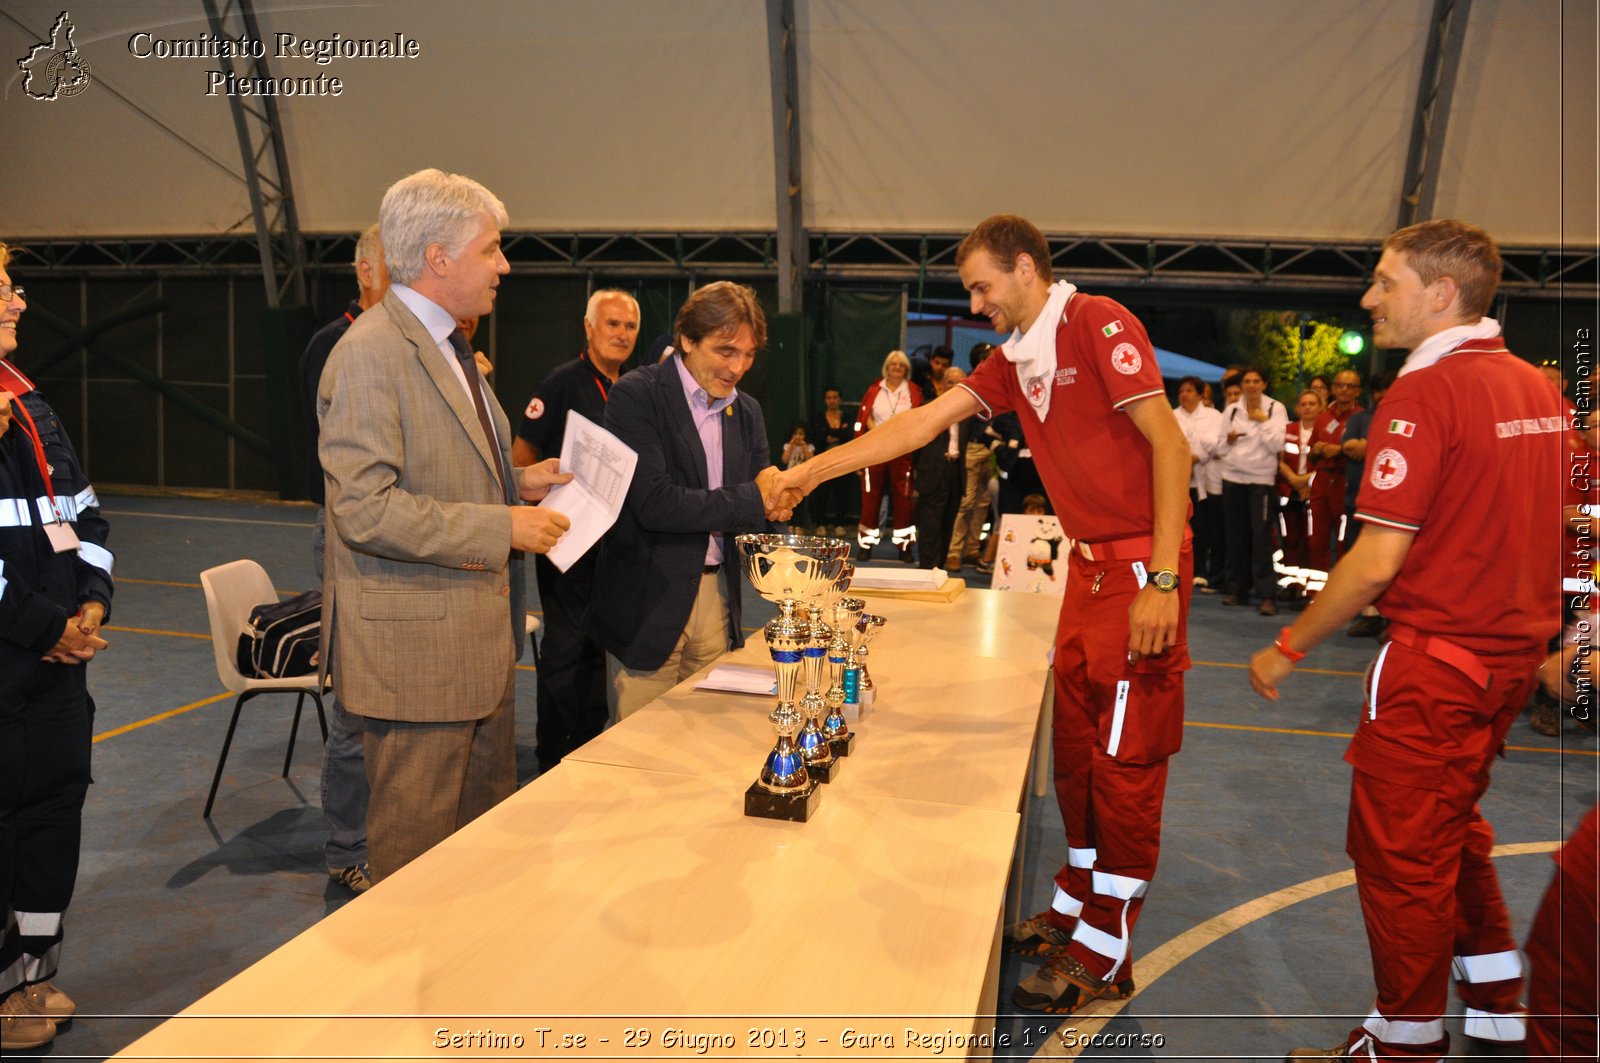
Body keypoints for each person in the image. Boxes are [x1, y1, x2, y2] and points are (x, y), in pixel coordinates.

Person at [778, 214, 1192, 1015]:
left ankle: (1107, 949)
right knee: (1075, 754)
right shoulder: (1015, 360)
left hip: (1141, 566)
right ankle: (1075, 903)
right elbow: (918, 423)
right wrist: (811, 471)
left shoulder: (1098, 323)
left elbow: (1170, 447)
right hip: (1088, 574)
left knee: (1125, 761)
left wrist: (1165, 579)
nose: (976, 304)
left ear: (1027, 268)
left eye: (983, 285)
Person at [1248, 219, 1564, 1062]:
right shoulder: (1537, 387)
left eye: (1385, 282)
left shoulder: (1424, 395)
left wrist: (1291, 644)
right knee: (1450, 828)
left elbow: (1378, 559)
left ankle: (1406, 1040)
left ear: (1440, 293)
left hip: (1437, 663)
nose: (1368, 298)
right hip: (1509, 661)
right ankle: (1495, 1002)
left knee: (1397, 857)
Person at [317, 168, 573, 884]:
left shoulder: (448, 347)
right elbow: (364, 508)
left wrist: (521, 481)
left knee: (479, 870)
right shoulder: (370, 356)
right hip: (418, 666)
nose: (504, 265)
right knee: (416, 880)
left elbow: (442, 467)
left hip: (471, 655)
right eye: (491, 249)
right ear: (438, 258)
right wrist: (503, 527)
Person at [0, 245, 114, 1052]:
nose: (18, 302)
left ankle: (31, 975)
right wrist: (47, 628)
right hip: (11, 665)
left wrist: (92, 603)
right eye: (2, 289)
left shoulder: (32, 406)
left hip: (56, 674)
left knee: (51, 816)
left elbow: (88, 520)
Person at [586, 281, 790, 722]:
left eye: (749, 354)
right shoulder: (636, 396)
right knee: (638, 749)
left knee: (705, 743)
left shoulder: (748, 411)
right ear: (687, 339)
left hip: (718, 601)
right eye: (725, 351)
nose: (738, 367)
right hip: (648, 602)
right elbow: (656, 503)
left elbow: (758, 507)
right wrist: (758, 498)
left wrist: (779, 514)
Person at [295, 223, 389, 894]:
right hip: (352, 536)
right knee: (356, 704)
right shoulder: (338, 347)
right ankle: (346, 848)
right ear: (365, 272)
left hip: (388, 541)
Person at [511, 289, 640, 773]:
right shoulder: (562, 383)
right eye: (612, 324)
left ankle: (586, 743)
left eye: (629, 327)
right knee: (565, 649)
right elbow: (521, 460)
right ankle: (553, 753)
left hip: (610, 548)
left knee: (596, 648)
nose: (621, 334)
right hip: (566, 544)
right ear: (589, 328)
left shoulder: (630, 388)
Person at [1216, 366, 1287, 615]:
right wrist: (1230, 440)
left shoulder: (1274, 409)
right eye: (1247, 381)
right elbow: (1219, 448)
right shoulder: (1232, 409)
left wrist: (1263, 422)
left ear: (1264, 384)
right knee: (1235, 537)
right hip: (1232, 478)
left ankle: (1267, 595)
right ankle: (1236, 590)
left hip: (1261, 481)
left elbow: (1277, 444)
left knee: (1261, 537)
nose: (1251, 385)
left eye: (1256, 380)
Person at [1339, 371, 1394, 639]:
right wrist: (1378, 445)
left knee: (1391, 562)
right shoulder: (1360, 418)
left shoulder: (1402, 418)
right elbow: (1349, 447)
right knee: (1358, 559)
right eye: (1378, 391)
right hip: (1358, 500)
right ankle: (1369, 615)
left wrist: (1368, 445)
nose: (1382, 396)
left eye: (1387, 389)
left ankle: (1393, 619)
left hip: (1391, 506)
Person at [855, 350, 923, 560]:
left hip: (903, 451)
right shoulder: (875, 389)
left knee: (903, 500)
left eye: (901, 365)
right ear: (886, 367)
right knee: (870, 499)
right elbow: (864, 417)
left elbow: (919, 420)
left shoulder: (913, 391)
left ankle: (905, 547)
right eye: (893, 364)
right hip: (874, 450)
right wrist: (875, 434)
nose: (896, 368)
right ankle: (866, 545)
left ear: (906, 369)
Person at [912, 365, 971, 569]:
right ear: (942, 384)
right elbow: (915, 446)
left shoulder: (968, 412)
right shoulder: (928, 407)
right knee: (929, 526)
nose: (954, 386)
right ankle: (926, 571)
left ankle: (940, 570)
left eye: (959, 382)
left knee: (948, 525)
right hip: (932, 472)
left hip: (955, 473)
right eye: (950, 382)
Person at [1306, 368, 1363, 569]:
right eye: (1340, 385)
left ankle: (1339, 593)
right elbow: (1310, 453)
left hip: (1345, 483)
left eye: (1350, 386)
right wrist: (1317, 449)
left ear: (1358, 391)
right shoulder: (1322, 417)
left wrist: (1340, 450)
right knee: (1316, 540)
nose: (1344, 390)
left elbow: (1365, 452)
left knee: (1343, 540)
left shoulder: (1362, 418)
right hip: (1321, 482)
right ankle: (1315, 592)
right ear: (1333, 388)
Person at [948, 342, 997, 568]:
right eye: (991, 356)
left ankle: (972, 548)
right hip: (973, 446)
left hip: (993, 448)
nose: (997, 358)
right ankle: (954, 552)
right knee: (966, 501)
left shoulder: (1001, 381)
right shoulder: (970, 383)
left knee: (983, 502)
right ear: (980, 360)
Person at [1173, 375, 1224, 589]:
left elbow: (1218, 445)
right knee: (1181, 528)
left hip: (1207, 479)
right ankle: (1180, 569)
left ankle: (1203, 570)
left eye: (1189, 390)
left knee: (1205, 527)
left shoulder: (1214, 416)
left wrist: (1196, 454)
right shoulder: (1172, 415)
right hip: (1179, 479)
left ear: (1200, 394)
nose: (1184, 394)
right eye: (1182, 391)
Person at [1279, 388, 1324, 576]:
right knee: (1289, 538)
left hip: (1314, 491)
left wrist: (1305, 481)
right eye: (1303, 404)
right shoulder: (1287, 429)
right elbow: (1278, 459)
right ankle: (1290, 583)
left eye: (1312, 404)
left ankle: (1308, 583)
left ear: (1320, 407)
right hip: (1289, 491)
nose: (1307, 408)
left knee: (1311, 539)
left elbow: (1325, 463)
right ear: (1297, 408)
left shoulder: (1325, 431)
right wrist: (1294, 480)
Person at [808, 386, 853, 537]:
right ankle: (820, 524)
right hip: (823, 461)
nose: (832, 400)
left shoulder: (847, 417)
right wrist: (838, 434)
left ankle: (840, 524)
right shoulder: (819, 417)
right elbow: (819, 437)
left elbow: (848, 435)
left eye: (835, 397)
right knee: (822, 493)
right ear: (825, 400)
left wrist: (830, 434)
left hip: (842, 462)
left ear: (840, 399)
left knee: (841, 494)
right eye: (829, 397)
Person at [781, 421, 816, 532]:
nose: (798, 437)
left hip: (804, 479)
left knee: (802, 502)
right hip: (791, 477)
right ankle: (791, 525)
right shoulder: (788, 446)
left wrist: (804, 448)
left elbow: (812, 460)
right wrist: (791, 447)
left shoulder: (809, 447)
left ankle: (800, 526)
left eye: (801, 434)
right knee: (789, 502)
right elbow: (784, 459)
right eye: (795, 434)